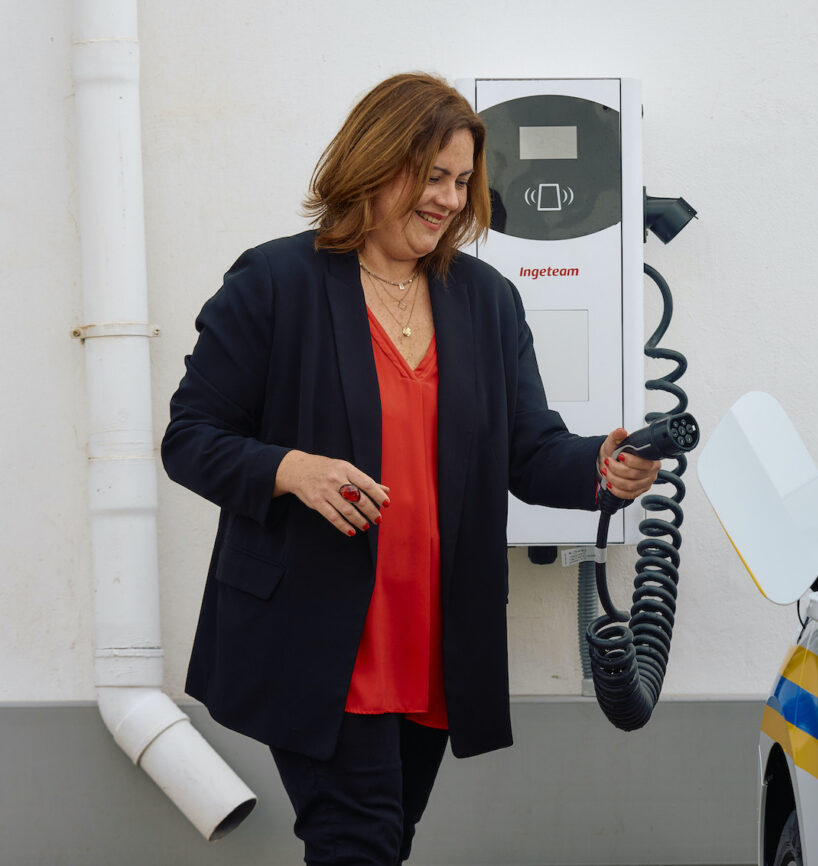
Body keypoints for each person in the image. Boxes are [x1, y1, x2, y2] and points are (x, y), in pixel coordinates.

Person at [160, 72, 660, 864]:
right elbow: (190, 436)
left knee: (383, 841)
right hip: (323, 638)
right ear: (375, 162)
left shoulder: (487, 302)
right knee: (357, 840)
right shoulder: (275, 283)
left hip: (434, 634)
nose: (450, 200)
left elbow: (530, 452)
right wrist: (292, 469)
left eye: (463, 182)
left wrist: (601, 467)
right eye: (433, 177)